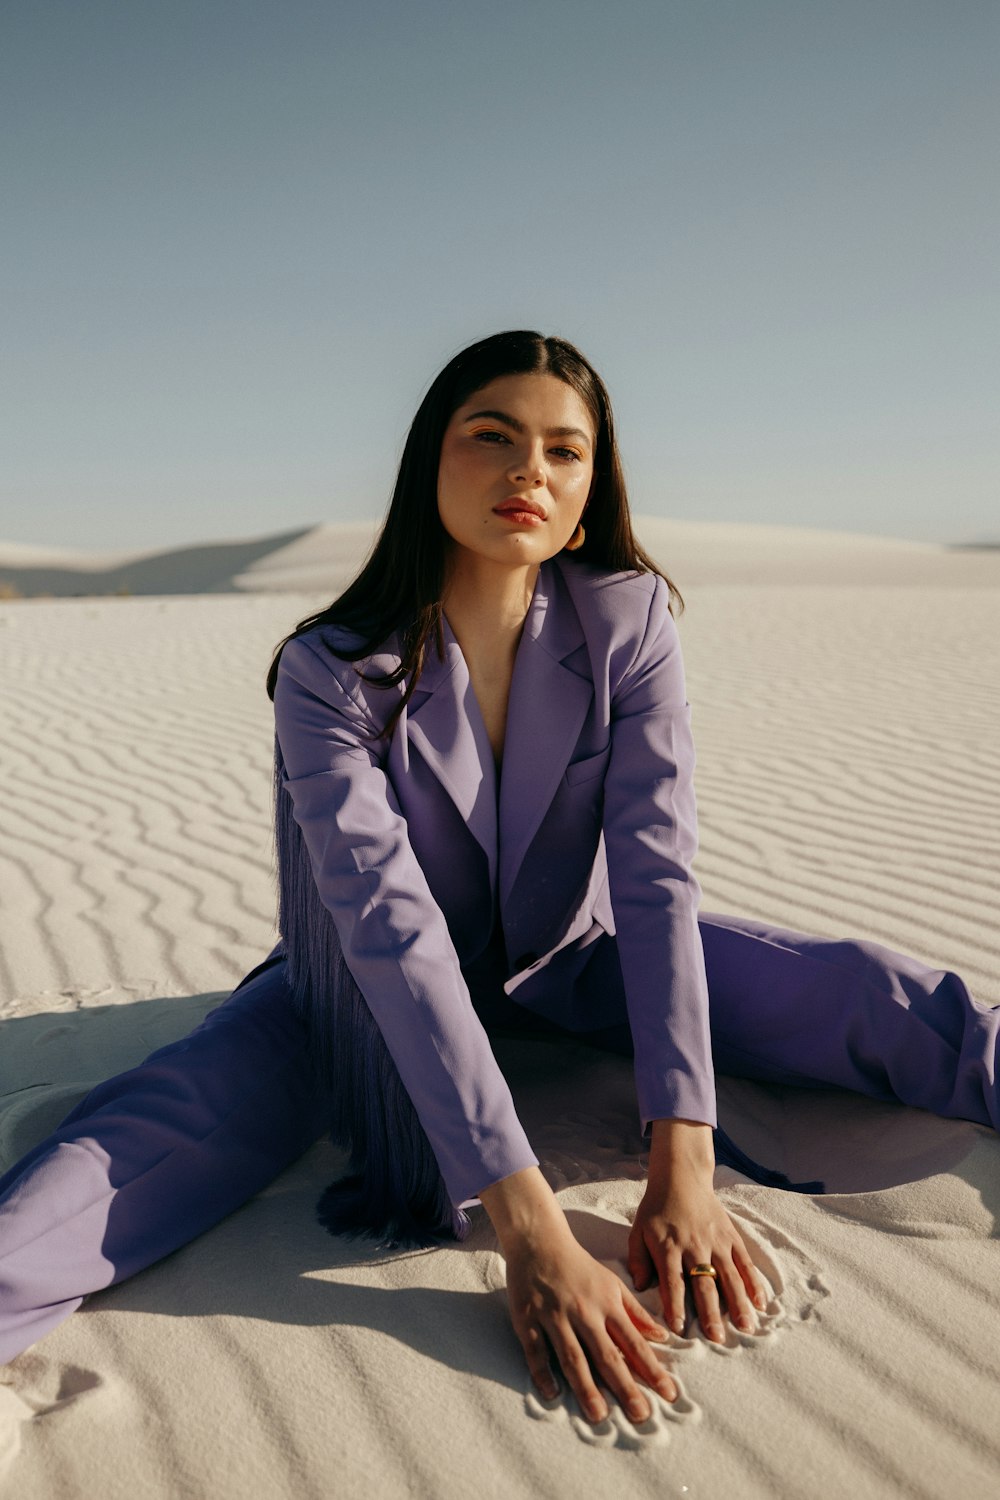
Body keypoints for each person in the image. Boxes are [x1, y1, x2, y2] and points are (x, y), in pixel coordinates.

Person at [1, 332, 996, 1431]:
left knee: (861, 990)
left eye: (564, 451)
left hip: (579, 961)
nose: (530, 469)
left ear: (588, 491)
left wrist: (686, 1154)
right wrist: (529, 1230)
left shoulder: (627, 621)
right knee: (123, 1154)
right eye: (493, 436)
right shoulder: (329, 671)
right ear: (431, 460)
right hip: (349, 999)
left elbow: (657, 877)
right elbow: (389, 933)